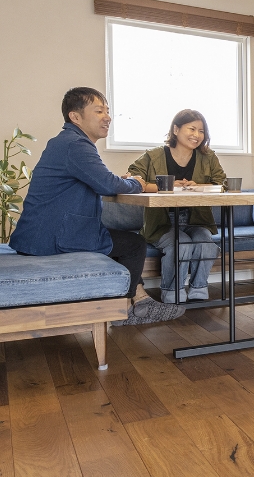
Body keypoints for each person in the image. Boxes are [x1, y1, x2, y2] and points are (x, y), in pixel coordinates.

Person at [9, 87, 185, 325]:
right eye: (99, 110)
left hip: (41, 235)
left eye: (108, 111)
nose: (108, 117)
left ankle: (138, 302)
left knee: (125, 240)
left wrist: (125, 182)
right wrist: (135, 182)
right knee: (134, 244)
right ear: (75, 116)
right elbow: (108, 184)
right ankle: (125, 311)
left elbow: (105, 180)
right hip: (51, 238)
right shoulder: (75, 145)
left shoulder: (69, 142)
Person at [128, 109, 225, 303]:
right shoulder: (153, 156)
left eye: (201, 131)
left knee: (206, 244)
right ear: (175, 129)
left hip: (197, 219)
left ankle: (199, 288)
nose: (197, 135)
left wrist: (199, 186)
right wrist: (166, 186)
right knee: (181, 244)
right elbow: (133, 178)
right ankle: (172, 292)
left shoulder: (208, 157)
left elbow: (221, 184)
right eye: (192, 129)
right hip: (162, 222)